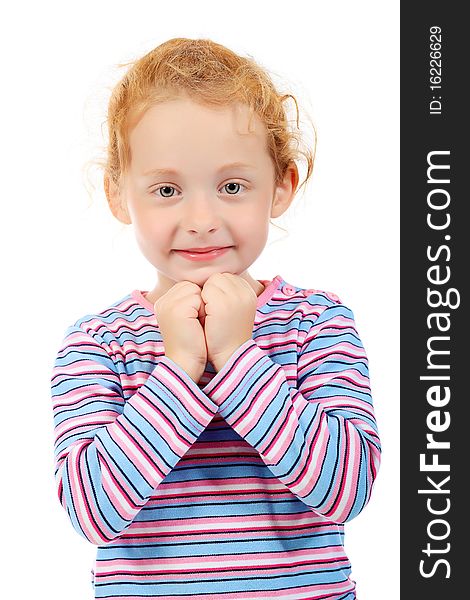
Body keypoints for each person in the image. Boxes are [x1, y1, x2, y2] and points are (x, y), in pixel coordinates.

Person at [50, 37, 381, 600]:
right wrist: (178, 369)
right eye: (167, 189)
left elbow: (347, 490)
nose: (201, 219)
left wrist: (237, 358)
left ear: (282, 185)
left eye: (232, 186)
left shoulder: (316, 322)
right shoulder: (97, 343)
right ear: (117, 193)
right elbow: (91, 512)